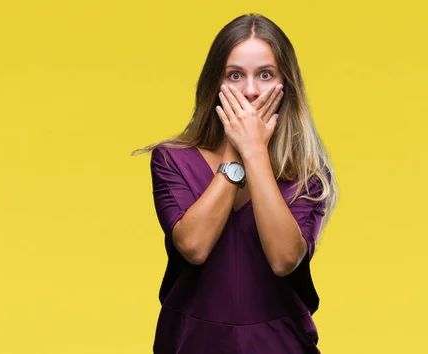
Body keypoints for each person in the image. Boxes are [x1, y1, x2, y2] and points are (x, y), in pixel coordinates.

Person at [131, 13, 339, 353]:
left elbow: (285, 258)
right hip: (190, 343)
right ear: (216, 83)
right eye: (235, 75)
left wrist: (255, 151)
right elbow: (194, 247)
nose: (251, 90)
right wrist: (236, 152)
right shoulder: (172, 160)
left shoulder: (307, 174)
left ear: (285, 85)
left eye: (266, 74)